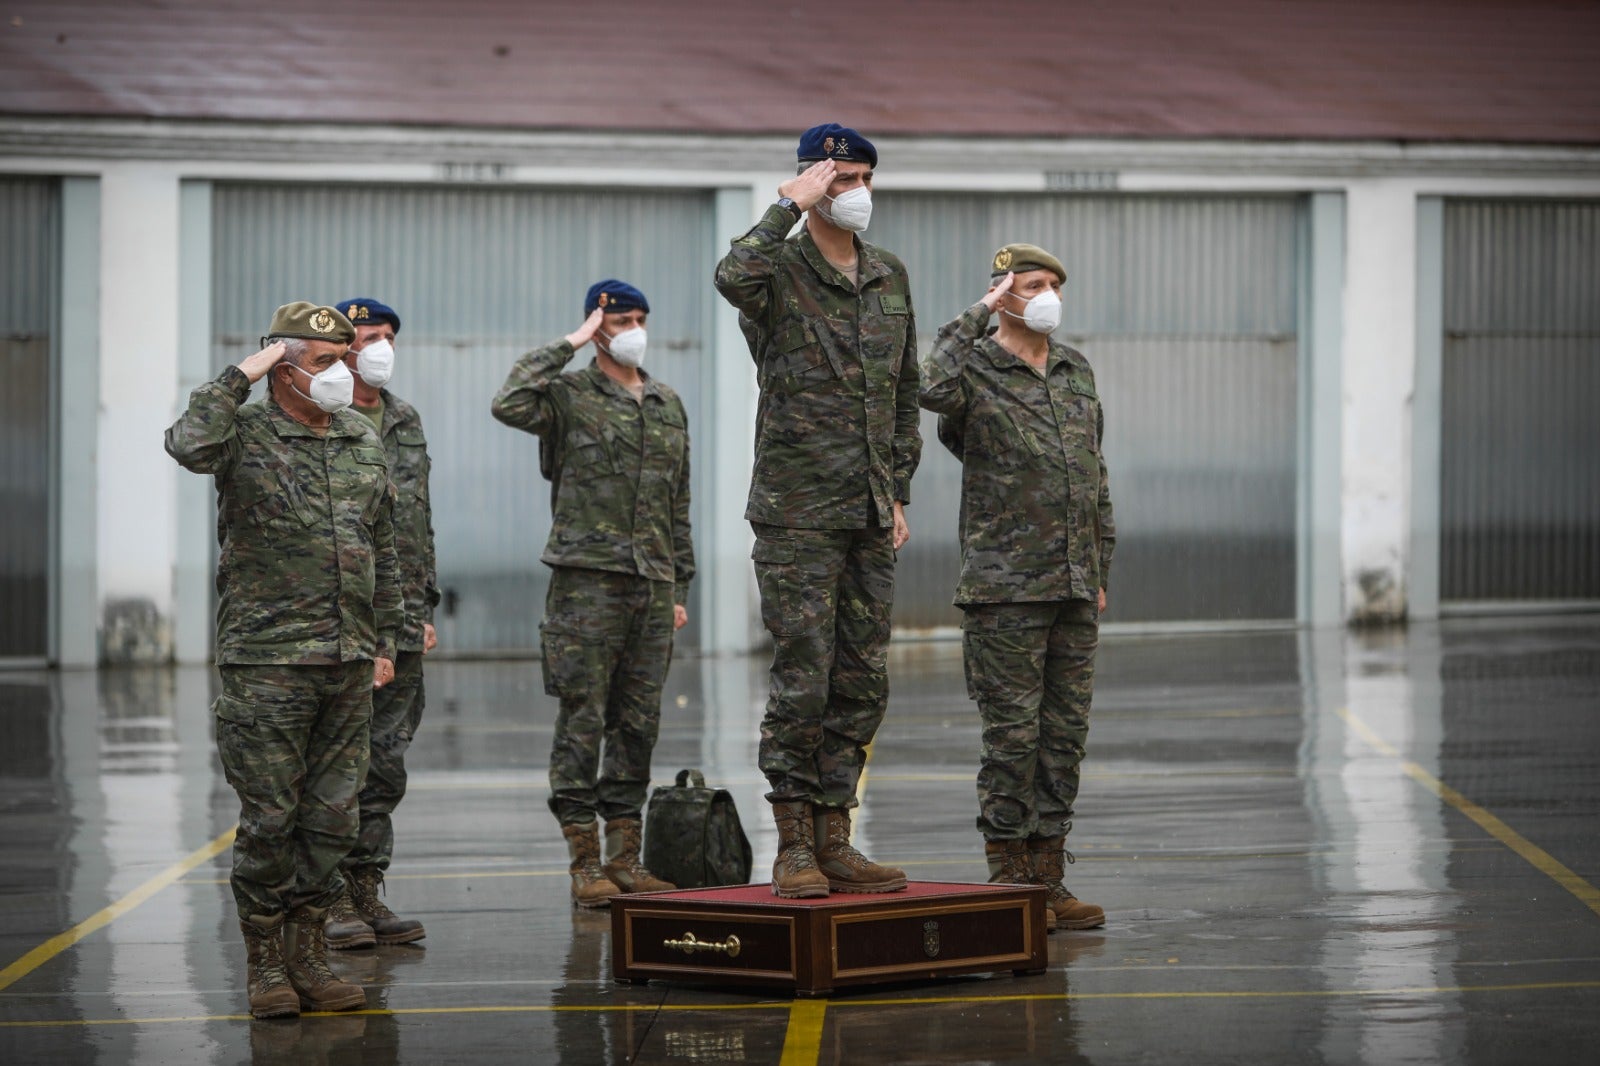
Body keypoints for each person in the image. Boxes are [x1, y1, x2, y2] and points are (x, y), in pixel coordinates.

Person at [164, 302, 402, 1017]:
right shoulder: (239, 432)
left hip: (349, 659)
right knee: (271, 821)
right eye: (322, 362)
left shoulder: (361, 437)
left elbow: (381, 546)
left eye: (342, 360)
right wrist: (243, 373)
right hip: (266, 663)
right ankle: (265, 966)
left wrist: (385, 640)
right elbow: (185, 443)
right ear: (284, 369)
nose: (339, 374)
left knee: (332, 822)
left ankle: (310, 955)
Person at [714, 123, 922, 898]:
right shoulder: (779, 269)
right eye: (838, 177)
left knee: (862, 677)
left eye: (863, 176)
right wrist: (784, 208)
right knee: (804, 672)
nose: (854, 191)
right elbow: (732, 276)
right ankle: (794, 842)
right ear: (809, 181)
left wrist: (897, 487)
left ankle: (839, 835)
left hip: (867, 509)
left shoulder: (889, 274)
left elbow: (904, 390)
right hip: (797, 507)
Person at [919, 244, 1114, 932]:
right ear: (1004, 292)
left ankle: (1049, 879)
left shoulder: (1074, 369)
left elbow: (1096, 477)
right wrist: (976, 317)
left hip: (1072, 585)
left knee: (1063, 738)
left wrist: (1099, 570)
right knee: (1012, 739)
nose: (1050, 294)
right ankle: (1009, 881)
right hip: (1005, 586)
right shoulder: (973, 368)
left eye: (1056, 283)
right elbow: (926, 388)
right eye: (1033, 284)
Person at [491, 279, 694, 908]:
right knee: (583, 720)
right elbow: (508, 400)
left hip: (652, 587)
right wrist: (570, 342)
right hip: (586, 584)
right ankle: (584, 864)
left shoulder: (666, 402)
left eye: (639, 317)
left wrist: (679, 583)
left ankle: (625, 858)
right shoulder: (568, 395)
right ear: (596, 326)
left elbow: (677, 503)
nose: (632, 327)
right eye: (619, 318)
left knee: (638, 725)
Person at [320, 297, 437, 950]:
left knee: (386, 765)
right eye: (369, 336)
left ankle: (367, 892)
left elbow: (418, 520)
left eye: (389, 335)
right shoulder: (320, 419)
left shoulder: (404, 418)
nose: (381, 346)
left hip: (401, 612)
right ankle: (330, 897)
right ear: (341, 346)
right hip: (339, 619)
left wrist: (423, 607)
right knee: (339, 766)